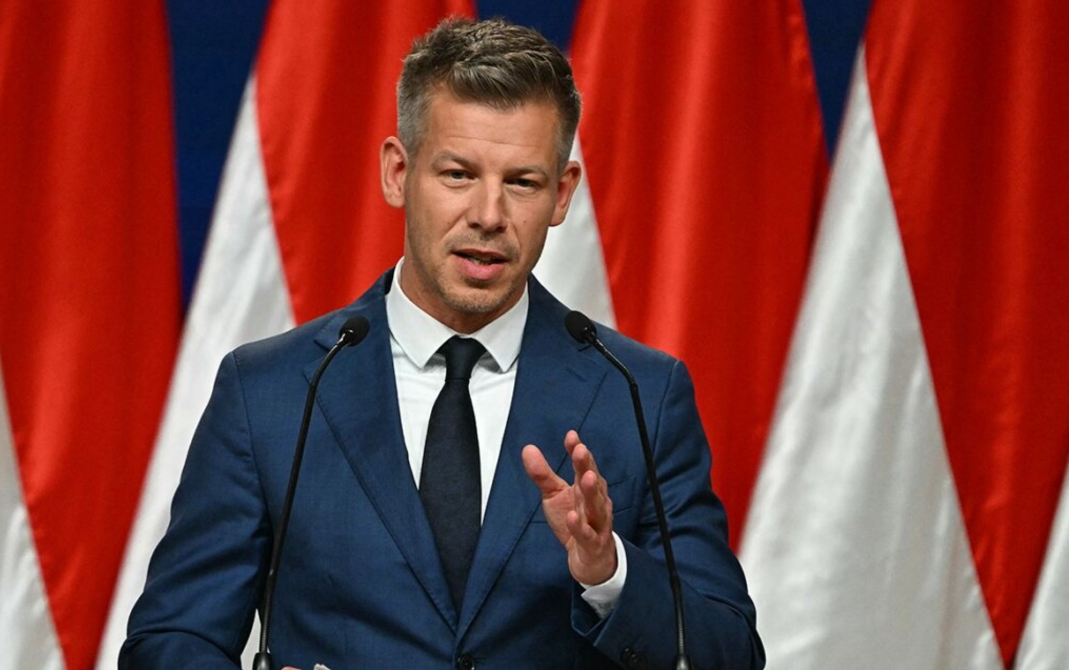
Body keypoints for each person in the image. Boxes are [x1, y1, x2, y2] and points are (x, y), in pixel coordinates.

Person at [122, 18, 764, 670]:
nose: (489, 215)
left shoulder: (640, 394)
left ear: (562, 194)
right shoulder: (271, 394)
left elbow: (731, 653)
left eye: (522, 182)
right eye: (458, 174)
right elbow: (170, 642)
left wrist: (610, 573)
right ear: (398, 173)